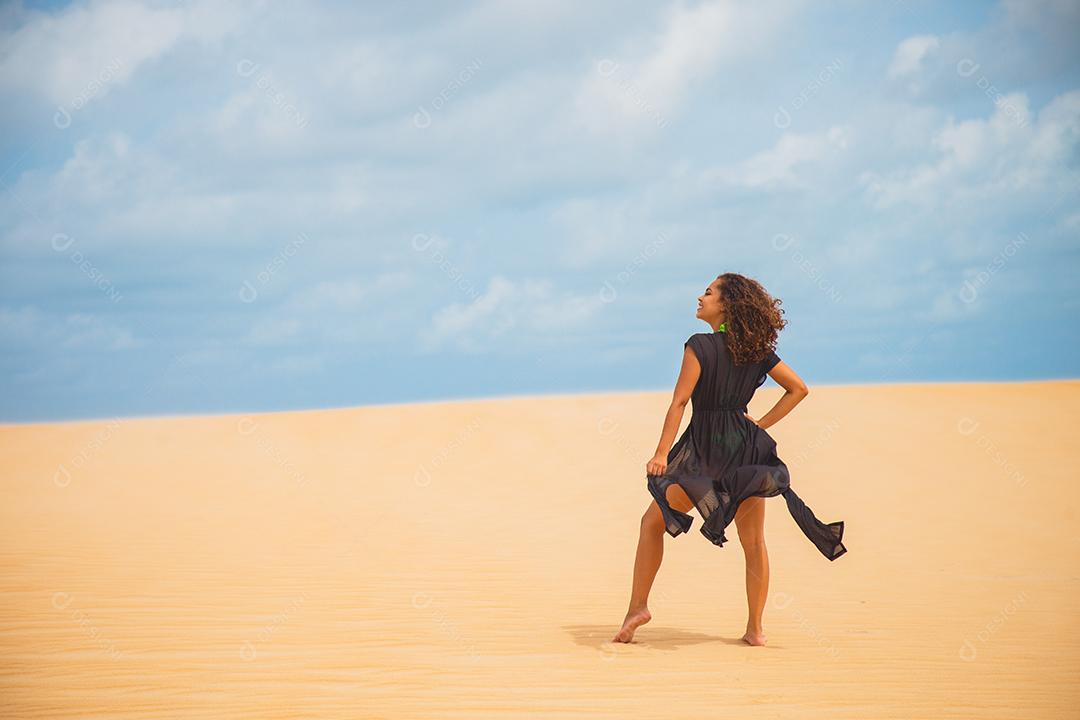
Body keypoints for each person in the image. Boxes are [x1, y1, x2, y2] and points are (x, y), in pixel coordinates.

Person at [613, 273, 846, 646]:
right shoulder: (755, 352)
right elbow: (798, 389)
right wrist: (761, 424)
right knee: (753, 541)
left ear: (727, 305)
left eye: (708, 292)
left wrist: (661, 453)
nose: (700, 297)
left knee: (651, 523)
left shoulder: (699, 345)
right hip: (745, 450)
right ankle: (755, 630)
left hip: (704, 452)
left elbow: (679, 402)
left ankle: (637, 607)